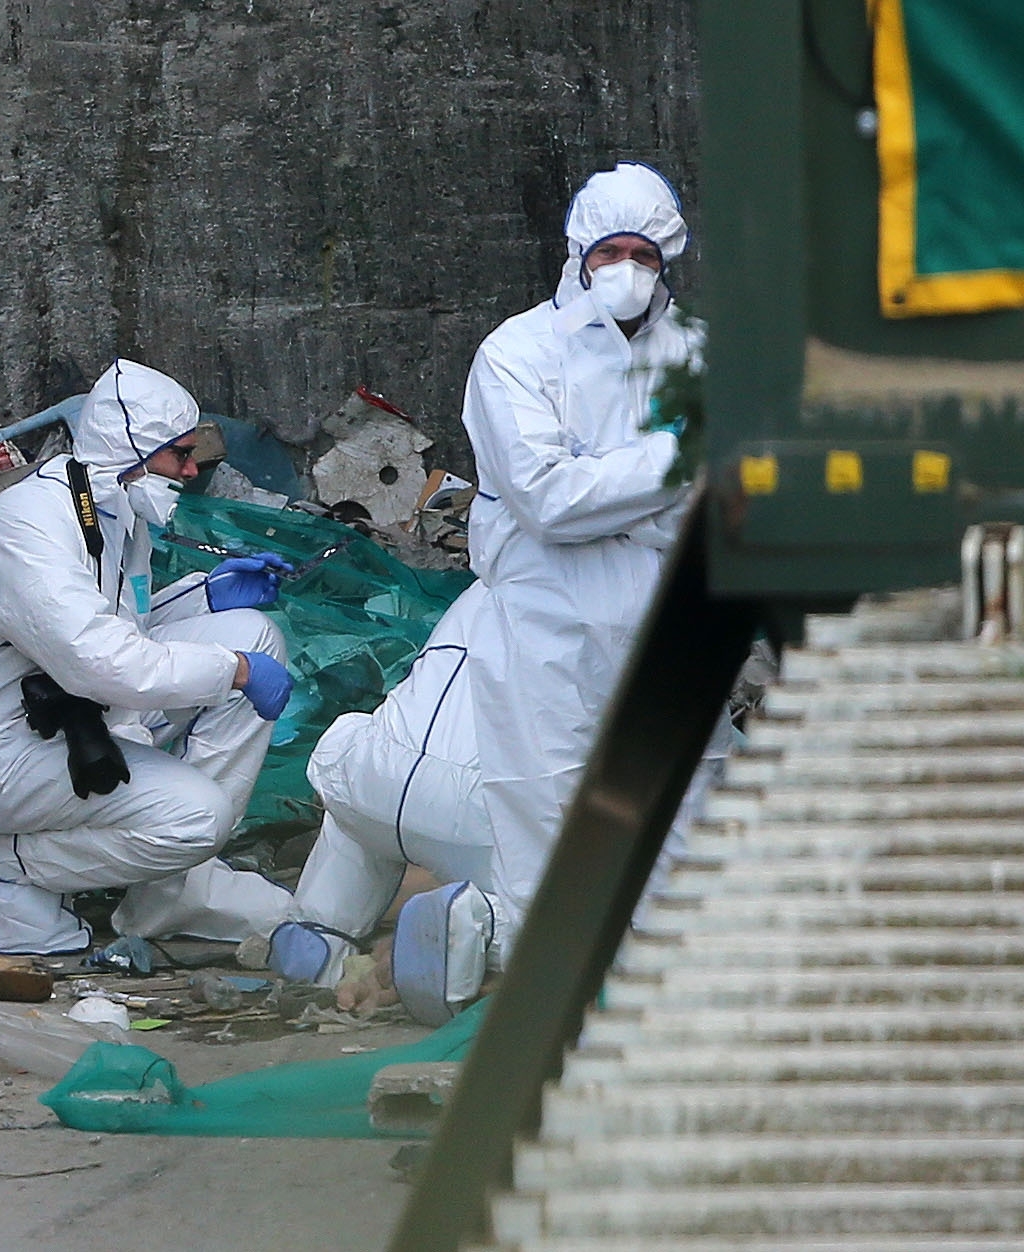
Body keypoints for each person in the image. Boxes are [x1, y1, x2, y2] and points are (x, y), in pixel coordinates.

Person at [268, 161, 730, 1022]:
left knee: (686, 804)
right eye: (610, 251)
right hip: (546, 620)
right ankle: (540, 1012)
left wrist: (626, 493)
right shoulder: (518, 352)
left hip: (664, 619)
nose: (626, 270)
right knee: (543, 824)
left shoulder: (698, 352)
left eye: (644, 254)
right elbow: (548, 499)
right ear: (577, 253)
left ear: (668, 258)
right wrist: (674, 461)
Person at [0, 359, 298, 955]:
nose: (191, 472)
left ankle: (170, 888)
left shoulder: (109, 508)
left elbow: (118, 625)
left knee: (253, 632)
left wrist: (205, 593)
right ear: (132, 451)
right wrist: (234, 671)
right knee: (199, 814)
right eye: (180, 456)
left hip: (56, 708)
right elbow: (104, 663)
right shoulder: (30, 526)